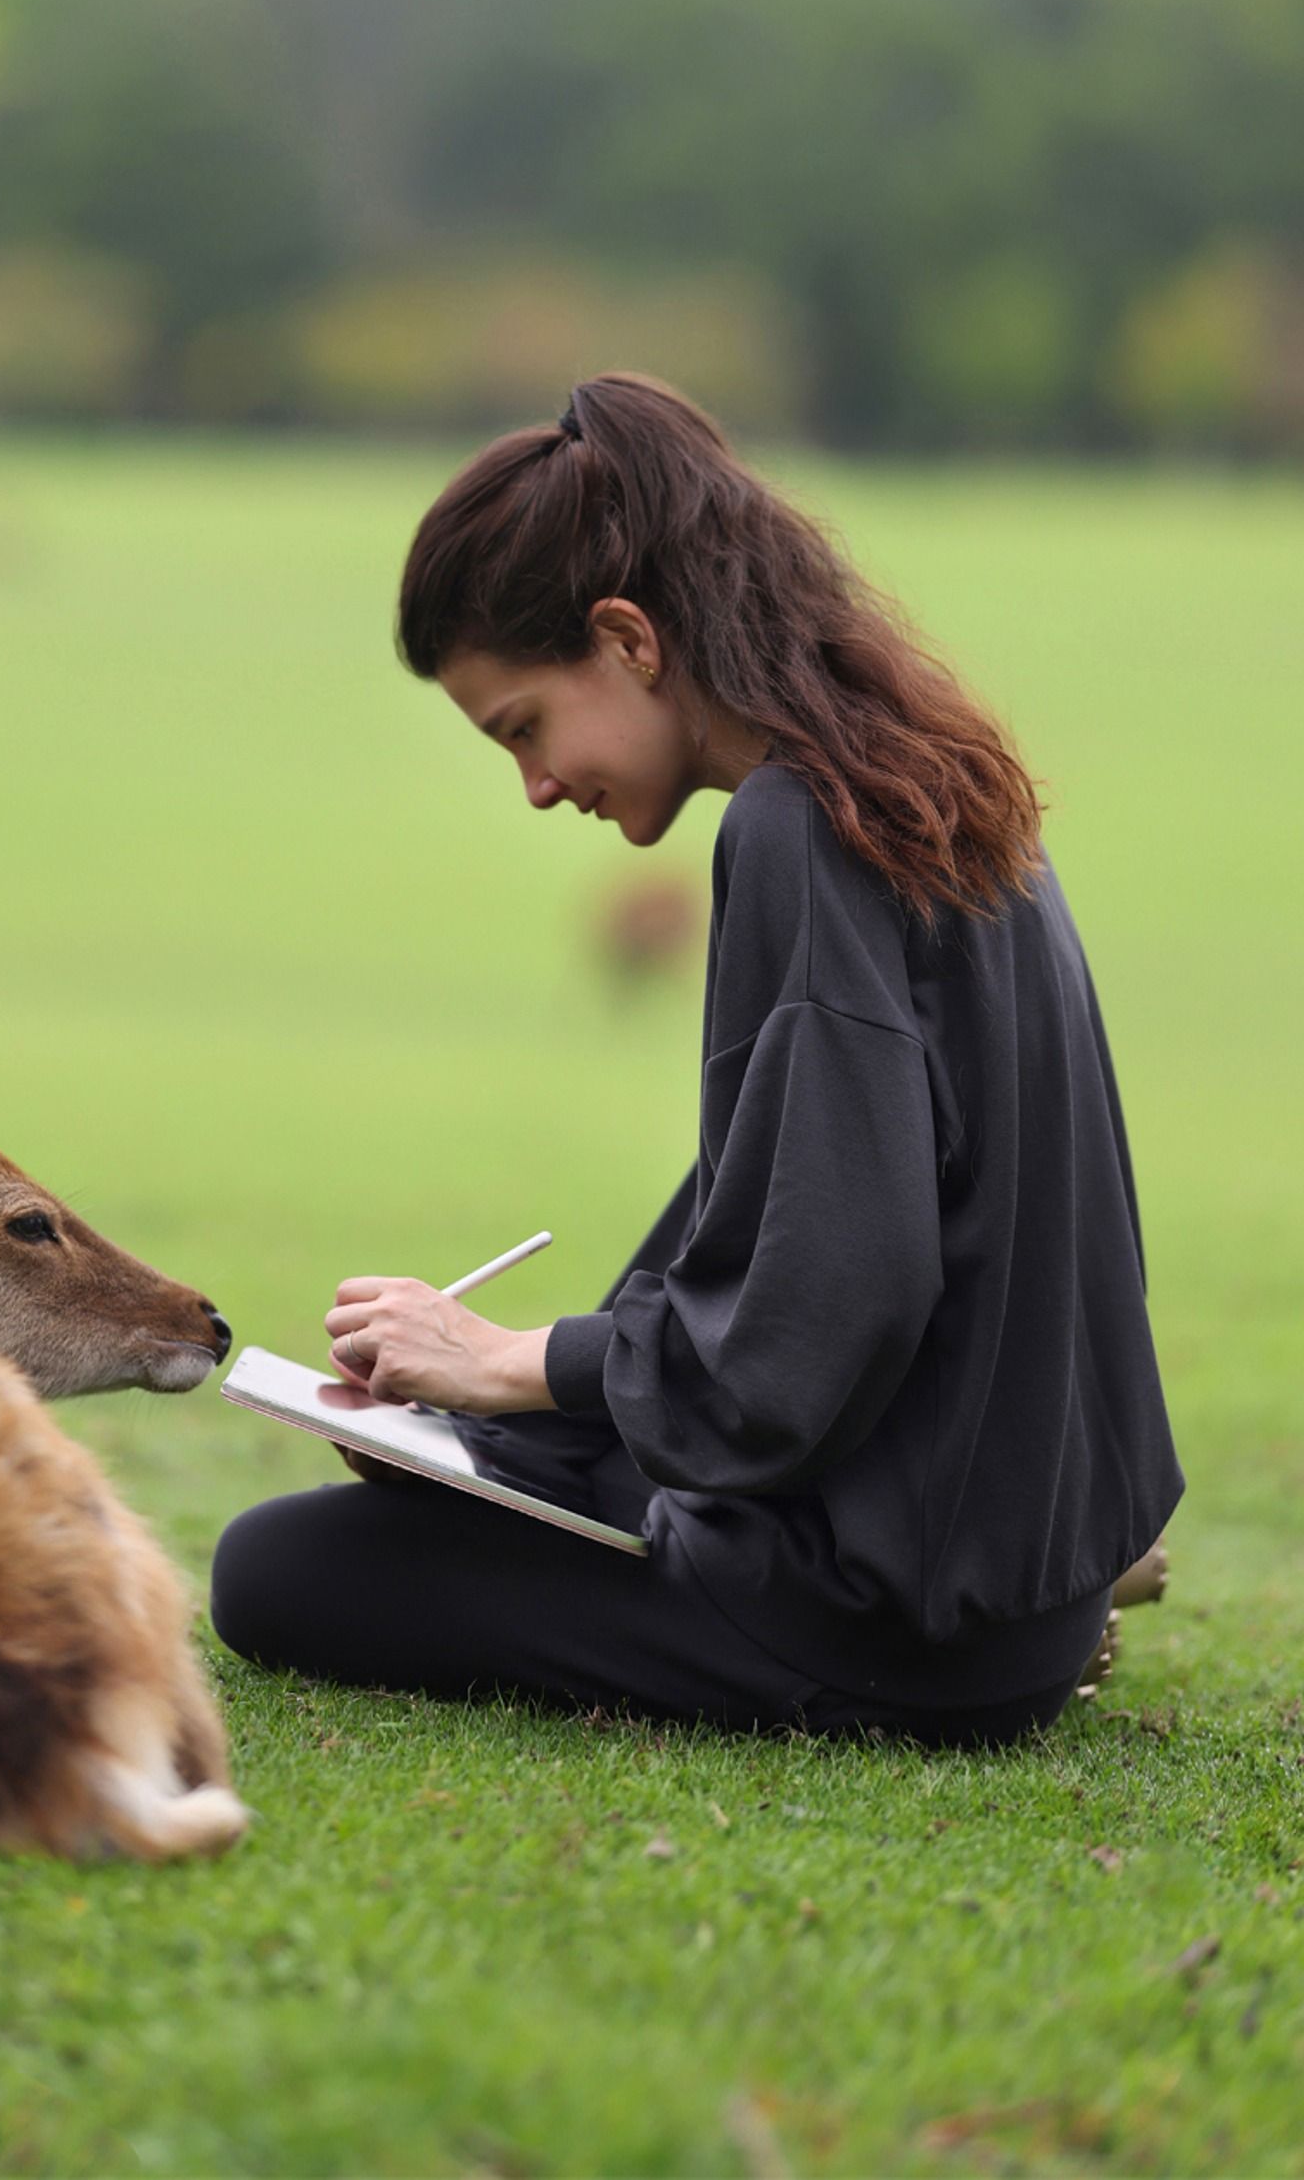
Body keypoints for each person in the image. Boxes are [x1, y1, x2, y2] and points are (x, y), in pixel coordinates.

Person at [210, 373, 1181, 1746]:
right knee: (452, 1467)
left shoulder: (796, 831)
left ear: (627, 637)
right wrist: (507, 1386)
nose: (538, 789)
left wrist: (521, 1362)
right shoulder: (928, 780)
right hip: (1008, 1565)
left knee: (276, 1571)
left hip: (884, 1620)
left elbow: (833, 1306)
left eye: (525, 730)